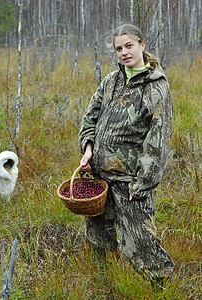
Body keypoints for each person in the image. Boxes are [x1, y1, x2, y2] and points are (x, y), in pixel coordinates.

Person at [78, 24, 175, 284]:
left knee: (141, 244)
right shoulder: (111, 81)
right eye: (119, 48)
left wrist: (142, 184)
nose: (124, 52)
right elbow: (90, 118)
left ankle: (162, 287)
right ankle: (105, 285)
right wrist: (88, 150)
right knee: (98, 239)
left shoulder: (156, 88)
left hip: (130, 183)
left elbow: (158, 141)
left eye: (129, 46)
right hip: (98, 180)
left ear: (142, 45)